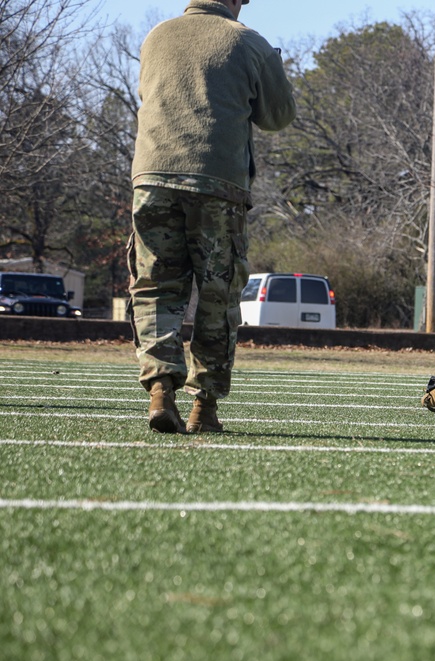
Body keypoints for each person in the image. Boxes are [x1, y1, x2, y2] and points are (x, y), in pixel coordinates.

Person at [128, 0, 296, 434]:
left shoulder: (156, 36)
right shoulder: (249, 43)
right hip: (217, 181)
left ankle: (160, 390)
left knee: (155, 287)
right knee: (217, 294)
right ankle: (205, 405)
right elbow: (278, 116)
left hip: (151, 177)